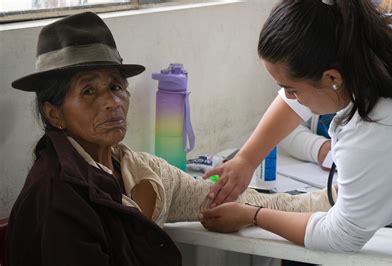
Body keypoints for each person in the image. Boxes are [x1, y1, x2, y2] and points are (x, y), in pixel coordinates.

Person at [5, 11, 337, 266]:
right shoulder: (58, 196)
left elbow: (219, 198)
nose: (111, 101)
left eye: (116, 87)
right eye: (88, 90)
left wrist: (330, 202)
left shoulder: (134, 169)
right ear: (54, 113)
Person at [201, 0, 392, 265]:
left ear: (332, 79)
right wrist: (246, 159)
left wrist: (253, 215)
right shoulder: (388, 35)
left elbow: (342, 235)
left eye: (291, 88)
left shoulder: (382, 125)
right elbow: (295, 97)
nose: (288, 96)